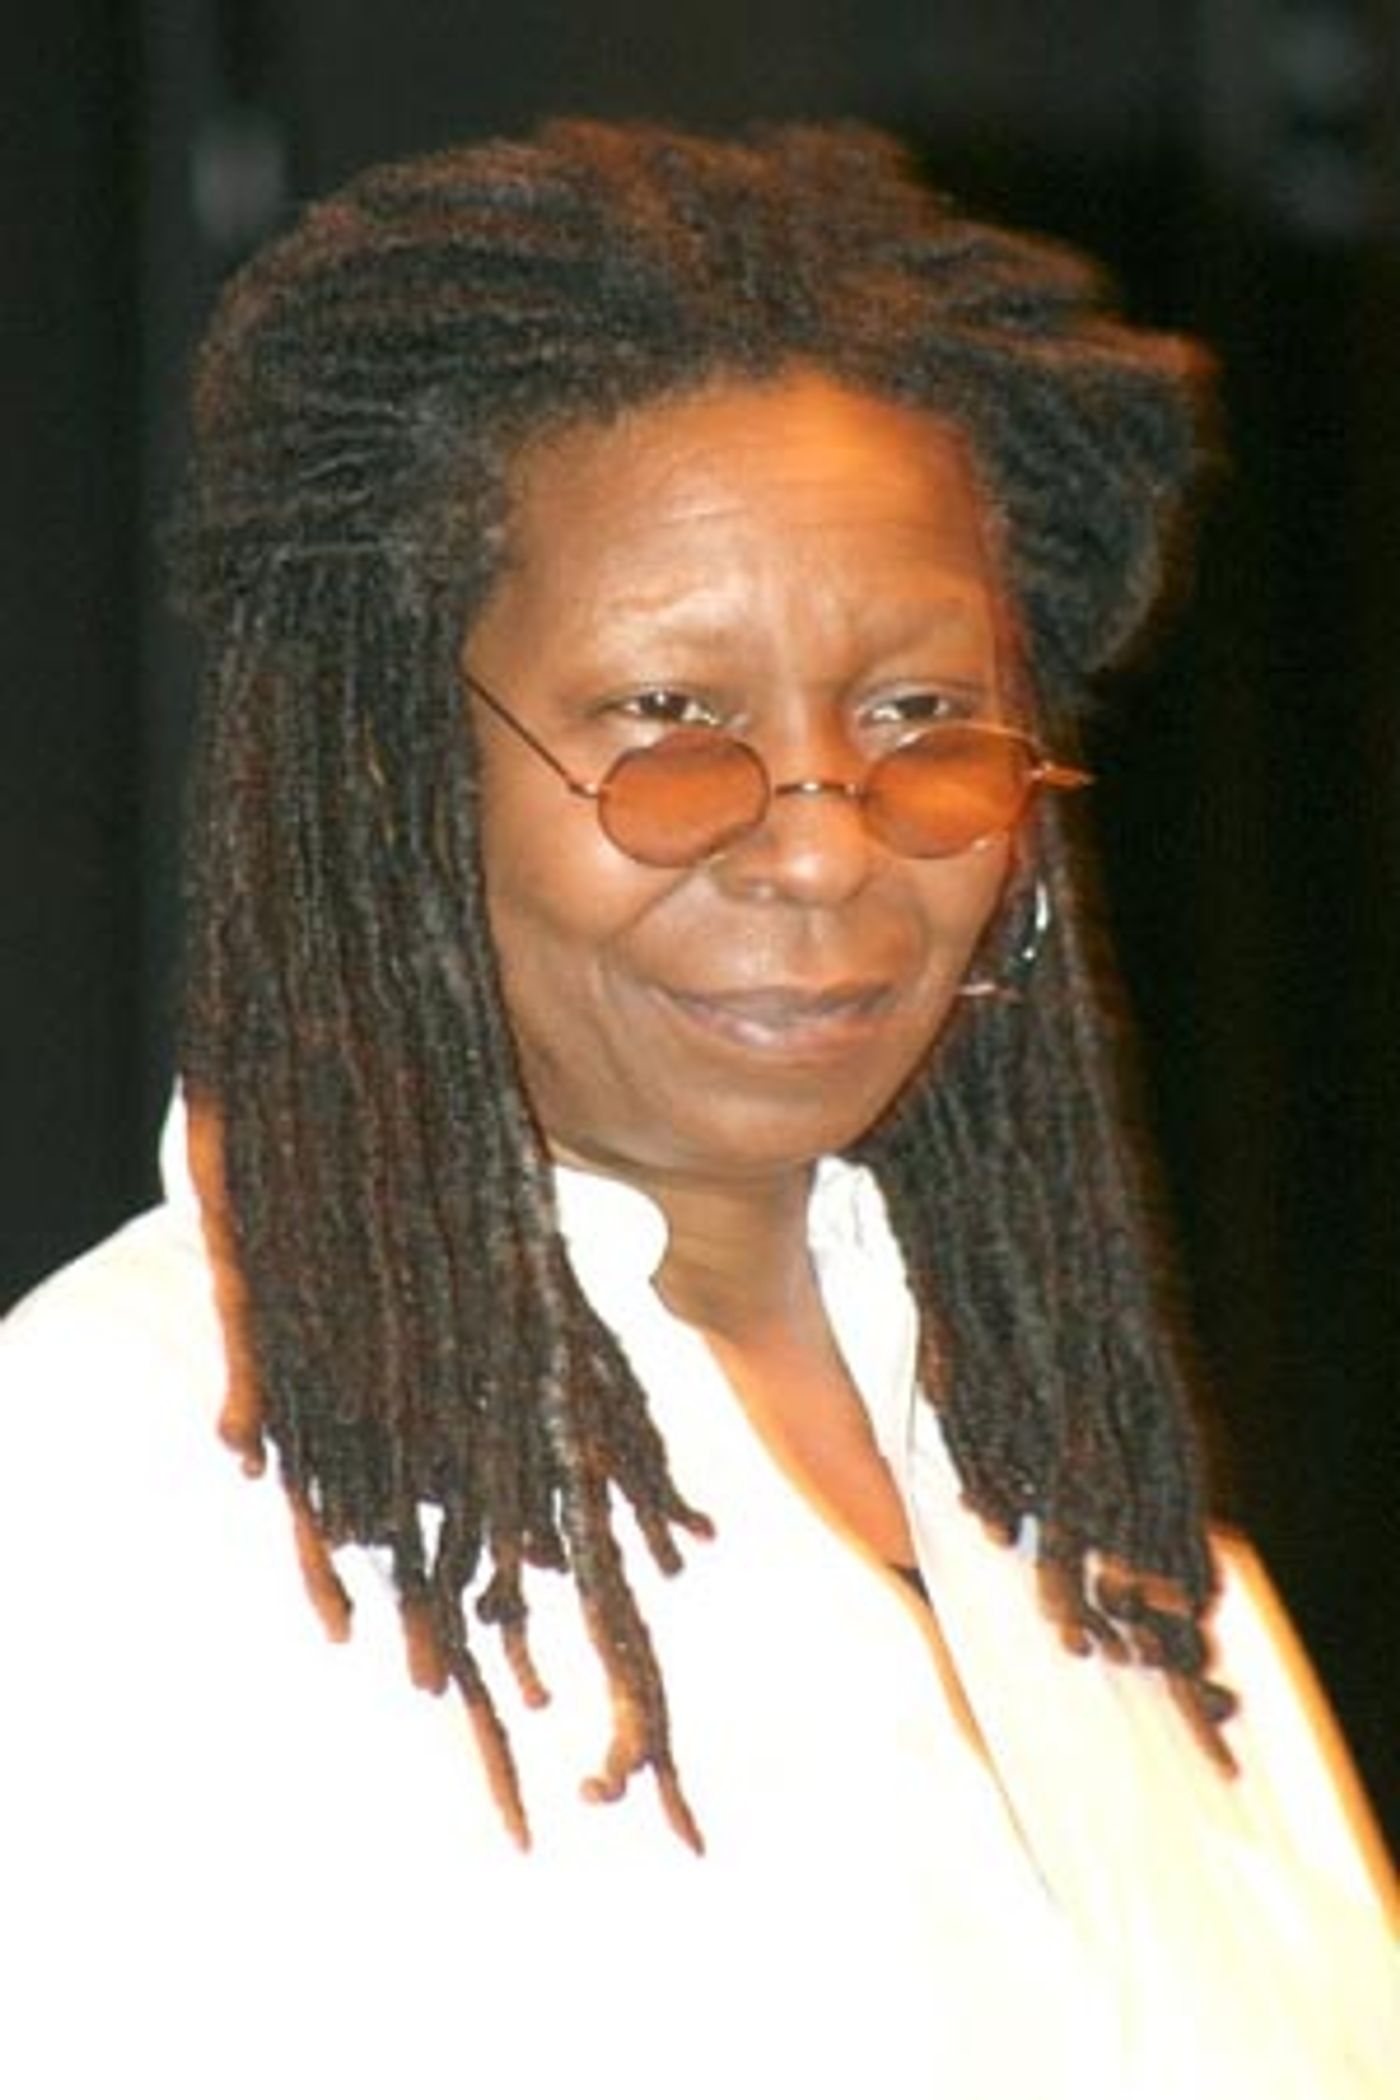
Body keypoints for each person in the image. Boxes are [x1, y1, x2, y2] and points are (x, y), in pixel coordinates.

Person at [1, 120, 1393, 2098]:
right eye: (669, 722)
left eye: (921, 718)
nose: (824, 849)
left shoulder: (1128, 1561)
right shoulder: (109, 1490)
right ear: (392, 770)